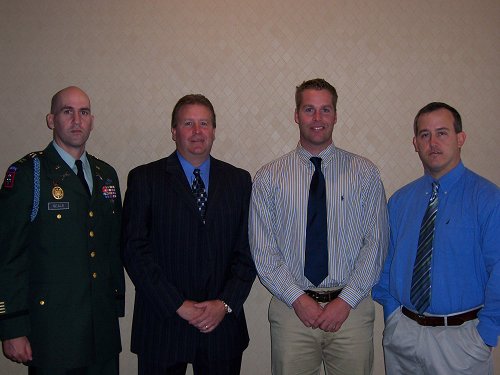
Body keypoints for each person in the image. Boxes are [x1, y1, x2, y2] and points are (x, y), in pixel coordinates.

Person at [249, 78, 389, 375]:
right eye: (309, 109)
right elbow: (263, 251)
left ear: (335, 116)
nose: (317, 118)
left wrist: (346, 301)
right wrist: (298, 299)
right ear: (296, 115)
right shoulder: (269, 178)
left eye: (325, 110)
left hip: (351, 311)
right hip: (291, 311)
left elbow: (376, 243)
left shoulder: (365, 173)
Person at [122, 94, 256, 375]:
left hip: (222, 328)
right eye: (188, 123)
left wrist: (225, 304)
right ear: (174, 131)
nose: (197, 131)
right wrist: (178, 305)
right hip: (163, 325)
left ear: (214, 131)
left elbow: (249, 250)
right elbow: (134, 250)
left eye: (204, 123)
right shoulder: (145, 179)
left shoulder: (239, 181)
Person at [0, 86, 125, 374]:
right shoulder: (29, 173)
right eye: (67, 111)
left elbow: (112, 246)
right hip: (52, 333)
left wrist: (116, 300)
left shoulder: (106, 174)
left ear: (91, 120)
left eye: (84, 112)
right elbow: (8, 255)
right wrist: (12, 326)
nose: (77, 120)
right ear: (51, 119)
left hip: (101, 330)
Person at [372, 102, 499, 375]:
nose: (433, 142)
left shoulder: (488, 199)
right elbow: (385, 262)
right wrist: (393, 315)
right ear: (415, 143)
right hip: (403, 336)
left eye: (442, 133)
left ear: (460, 138)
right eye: (424, 134)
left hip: (462, 343)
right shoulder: (400, 201)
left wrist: (485, 334)